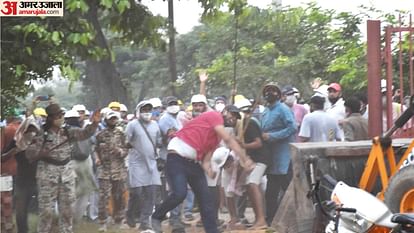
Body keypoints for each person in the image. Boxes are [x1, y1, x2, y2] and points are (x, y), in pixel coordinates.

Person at [151, 109, 254, 233]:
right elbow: (228, 139)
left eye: (236, 118)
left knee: (206, 199)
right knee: (179, 193)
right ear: (225, 112)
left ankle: (212, 230)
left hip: (193, 163)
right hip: (176, 157)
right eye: (232, 115)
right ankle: (157, 216)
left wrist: (210, 171)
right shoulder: (214, 115)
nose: (232, 119)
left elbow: (206, 161)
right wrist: (245, 158)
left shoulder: (215, 138)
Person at [25, 103, 100, 233]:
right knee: (46, 211)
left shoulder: (68, 131)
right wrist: (40, 153)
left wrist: (94, 124)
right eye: (58, 116)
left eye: (62, 115)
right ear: (50, 118)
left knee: (67, 210)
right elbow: (29, 153)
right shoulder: (41, 133)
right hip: (47, 175)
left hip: (66, 174)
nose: (61, 118)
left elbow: (85, 134)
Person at [260, 82, 296, 225]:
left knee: (287, 189)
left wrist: (273, 136)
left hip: (284, 155)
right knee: (271, 192)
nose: (270, 93)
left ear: (279, 95)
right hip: (271, 157)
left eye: (273, 91)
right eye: (267, 91)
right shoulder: (265, 111)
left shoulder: (283, 109)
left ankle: (292, 219)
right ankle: (271, 220)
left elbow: (292, 127)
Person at [124, 101, 162, 231]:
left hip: (151, 163)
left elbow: (158, 142)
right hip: (137, 163)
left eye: (148, 110)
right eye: (144, 110)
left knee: (151, 193)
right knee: (137, 192)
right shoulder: (132, 125)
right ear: (139, 111)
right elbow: (126, 142)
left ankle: (145, 221)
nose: (146, 112)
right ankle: (130, 213)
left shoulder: (155, 125)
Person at [95, 111, 128, 232]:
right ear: (106, 120)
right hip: (105, 171)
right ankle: (102, 221)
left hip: (118, 170)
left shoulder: (121, 134)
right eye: (111, 119)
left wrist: (120, 151)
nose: (113, 121)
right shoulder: (100, 135)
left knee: (119, 196)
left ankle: (118, 218)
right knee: (104, 196)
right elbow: (95, 149)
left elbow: (126, 150)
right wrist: (97, 159)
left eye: (115, 119)